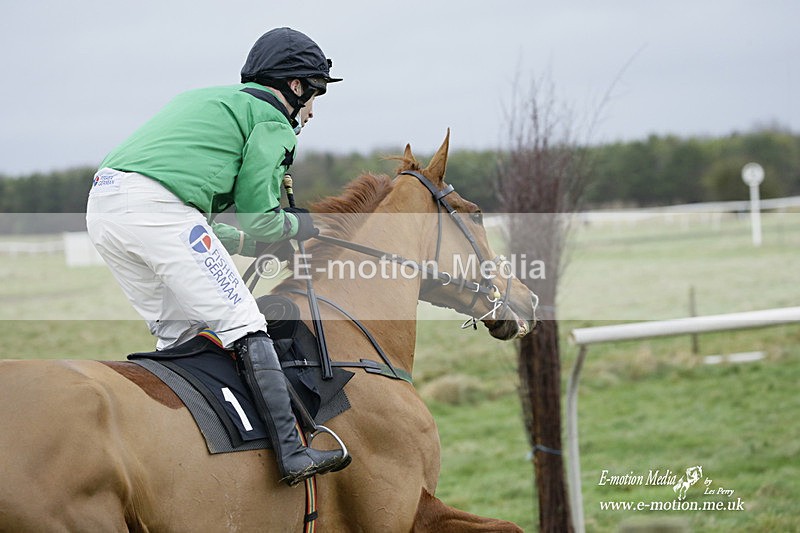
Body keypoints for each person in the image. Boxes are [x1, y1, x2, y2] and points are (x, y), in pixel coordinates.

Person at [86, 27, 348, 486]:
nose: (312, 110)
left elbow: (208, 227)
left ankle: (188, 451)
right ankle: (292, 453)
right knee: (244, 321)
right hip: (157, 210)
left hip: (105, 207)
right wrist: (308, 225)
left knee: (180, 333)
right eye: (315, 95)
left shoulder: (210, 100)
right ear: (295, 85)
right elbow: (261, 218)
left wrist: (255, 239)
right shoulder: (272, 119)